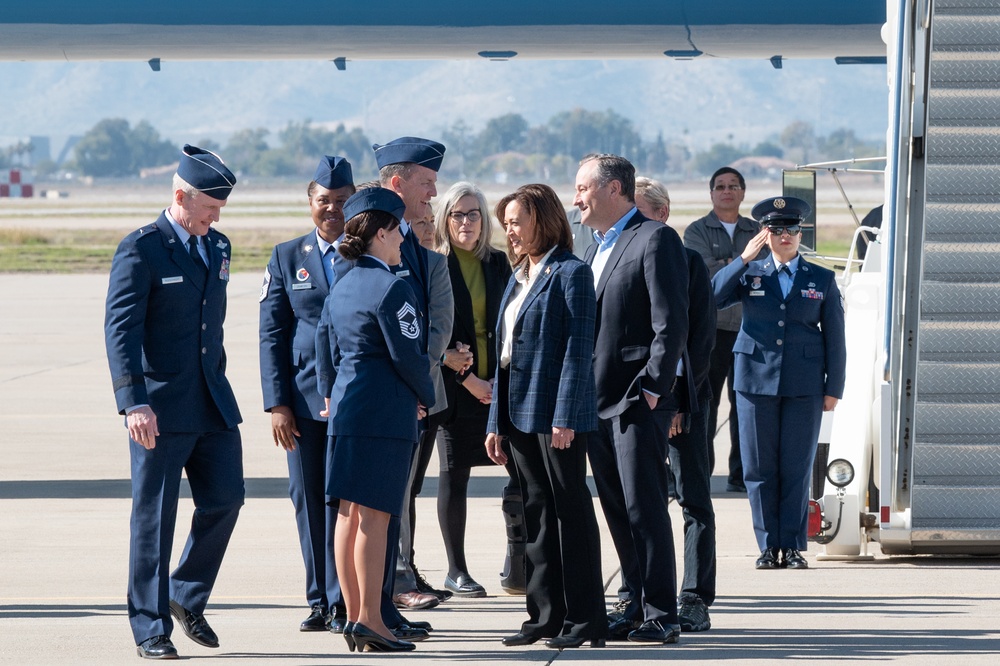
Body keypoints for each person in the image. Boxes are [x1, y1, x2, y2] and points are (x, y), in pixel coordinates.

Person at [104, 145, 243, 660]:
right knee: (154, 519)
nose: (216, 216)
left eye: (220, 208)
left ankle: (185, 593)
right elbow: (120, 330)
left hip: (212, 404)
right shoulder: (142, 248)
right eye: (209, 206)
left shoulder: (219, 246)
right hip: (157, 410)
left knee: (227, 498)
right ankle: (150, 628)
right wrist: (132, 402)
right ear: (180, 195)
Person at [486, 183, 606, 650]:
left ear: (544, 220)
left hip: (555, 415)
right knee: (535, 514)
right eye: (507, 224)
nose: (510, 232)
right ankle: (544, 616)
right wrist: (496, 422)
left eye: (516, 221)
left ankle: (585, 620)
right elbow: (502, 355)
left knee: (569, 512)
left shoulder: (570, 274)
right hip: (517, 415)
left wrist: (566, 415)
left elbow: (579, 352)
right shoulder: (519, 275)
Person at [315, 188, 436, 653]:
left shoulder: (343, 283)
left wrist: (328, 393)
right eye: (398, 232)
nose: (403, 241)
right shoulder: (392, 285)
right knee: (377, 520)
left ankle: (352, 616)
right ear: (382, 232)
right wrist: (424, 396)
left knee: (347, 514)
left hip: (346, 410)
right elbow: (409, 355)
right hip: (384, 411)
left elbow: (324, 348)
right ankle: (371, 620)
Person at [576, 154, 689, 644]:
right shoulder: (590, 246)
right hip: (594, 403)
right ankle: (635, 602)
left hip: (633, 402)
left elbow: (671, 324)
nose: (576, 197)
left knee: (644, 507)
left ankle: (662, 612)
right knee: (617, 510)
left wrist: (650, 390)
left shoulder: (655, 238)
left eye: (583, 187)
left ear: (614, 189)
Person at [712, 196, 847, 571]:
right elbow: (710, 297)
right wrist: (741, 259)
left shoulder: (821, 278)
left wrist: (834, 386)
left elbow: (835, 337)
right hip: (755, 381)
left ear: (801, 233)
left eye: (792, 229)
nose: (785, 235)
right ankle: (768, 546)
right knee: (759, 467)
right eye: (776, 229)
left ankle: (793, 545)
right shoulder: (751, 273)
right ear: (764, 234)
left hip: (804, 384)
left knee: (797, 466)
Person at [258, 155, 354, 634]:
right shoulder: (286, 256)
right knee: (307, 498)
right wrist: (277, 403)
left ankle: (343, 600)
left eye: (341, 201)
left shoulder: (368, 252)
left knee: (343, 501)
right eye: (324, 201)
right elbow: (271, 334)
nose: (333, 209)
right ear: (309, 203)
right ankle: (319, 599)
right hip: (301, 399)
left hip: (354, 398)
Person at [374, 136, 457, 610]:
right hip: (367, 395)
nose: (432, 194)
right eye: (427, 183)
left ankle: (396, 579)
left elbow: (436, 330)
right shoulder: (360, 242)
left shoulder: (425, 258)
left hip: (412, 397)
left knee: (401, 491)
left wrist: (417, 387)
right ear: (399, 182)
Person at [635, 175, 718, 633]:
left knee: (693, 501)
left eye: (642, 211)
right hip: (639, 404)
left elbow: (696, 342)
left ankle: (695, 596)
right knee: (640, 502)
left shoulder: (688, 263)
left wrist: (679, 403)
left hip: (682, 403)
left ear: (662, 214)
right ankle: (636, 592)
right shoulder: (623, 257)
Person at [432, 181, 517, 598]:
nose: (466, 222)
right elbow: (433, 333)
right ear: (444, 220)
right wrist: (469, 380)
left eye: (473, 214)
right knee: (455, 477)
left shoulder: (500, 263)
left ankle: (518, 561)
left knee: (520, 472)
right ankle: (456, 569)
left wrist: (496, 383)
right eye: (457, 214)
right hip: (455, 389)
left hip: (501, 387)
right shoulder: (435, 265)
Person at [684, 166, 761, 493]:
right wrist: (744, 260)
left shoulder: (759, 230)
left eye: (733, 186)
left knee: (746, 405)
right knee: (706, 405)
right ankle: (702, 473)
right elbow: (706, 278)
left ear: (743, 192)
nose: (726, 191)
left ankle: (741, 475)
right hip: (711, 332)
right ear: (711, 193)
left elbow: (764, 270)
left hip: (749, 331)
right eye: (720, 186)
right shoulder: (696, 231)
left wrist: (731, 265)